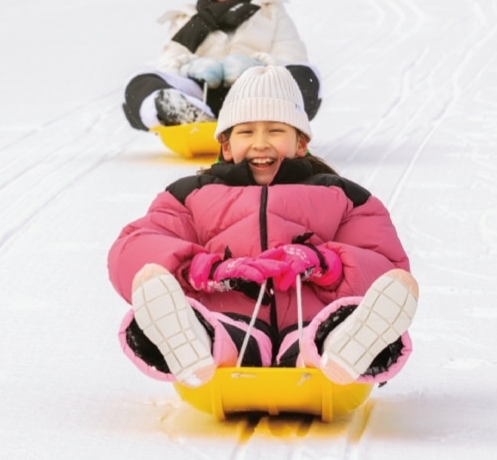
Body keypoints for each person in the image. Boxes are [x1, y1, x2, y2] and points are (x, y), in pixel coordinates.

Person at [108, 65, 418, 390]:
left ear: (301, 143)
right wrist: (199, 268)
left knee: (335, 326)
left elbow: (385, 264)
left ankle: (342, 350)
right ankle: (195, 347)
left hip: (312, 321)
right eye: (246, 132)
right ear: (226, 146)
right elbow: (132, 248)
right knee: (209, 327)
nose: (260, 143)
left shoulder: (342, 197)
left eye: (274, 131)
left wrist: (328, 264)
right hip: (227, 318)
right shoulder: (192, 195)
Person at [122, 0, 321, 132]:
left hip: (257, 98)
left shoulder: (271, 13)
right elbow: (167, 66)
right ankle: (185, 115)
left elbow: (291, 57)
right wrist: (190, 68)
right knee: (139, 81)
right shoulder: (186, 19)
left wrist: (257, 66)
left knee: (305, 74)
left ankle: (267, 119)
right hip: (200, 97)